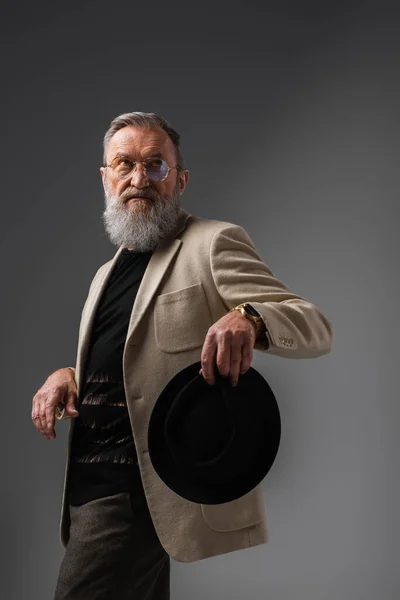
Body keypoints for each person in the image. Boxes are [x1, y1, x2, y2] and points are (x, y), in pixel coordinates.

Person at [31, 111, 334, 600]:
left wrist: (251, 318)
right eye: (124, 164)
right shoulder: (103, 276)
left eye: (156, 166)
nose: (139, 179)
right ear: (105, 177)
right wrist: (66, 374)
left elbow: (315, 325)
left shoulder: (212, 243)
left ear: (181, 178)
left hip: (137, 492)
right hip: (87, 487)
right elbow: (122, 366)